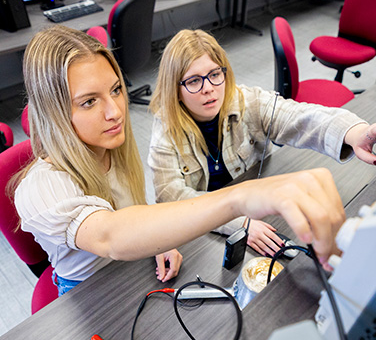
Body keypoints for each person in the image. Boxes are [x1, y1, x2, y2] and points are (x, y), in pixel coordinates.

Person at [14, 24, 349, 297]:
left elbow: (135, 216)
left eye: (116, 90)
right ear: (53, 112)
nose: (115, 112)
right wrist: (239, 200)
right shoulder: (42, 186)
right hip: (90, 293)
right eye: (89, 102)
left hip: (134, 271)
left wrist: (158, 243)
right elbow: (110, 236)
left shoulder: (108, 147)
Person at [148, 28, 376, 257]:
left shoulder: (246, 101)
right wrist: (237, 222)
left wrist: (357, 133)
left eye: (215, 74)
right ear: (175, 89)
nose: (208, 88)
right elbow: (172, 197)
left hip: (257, 209)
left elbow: (301, 118)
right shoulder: (165, 129)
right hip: (206, 231)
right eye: (194, 80)